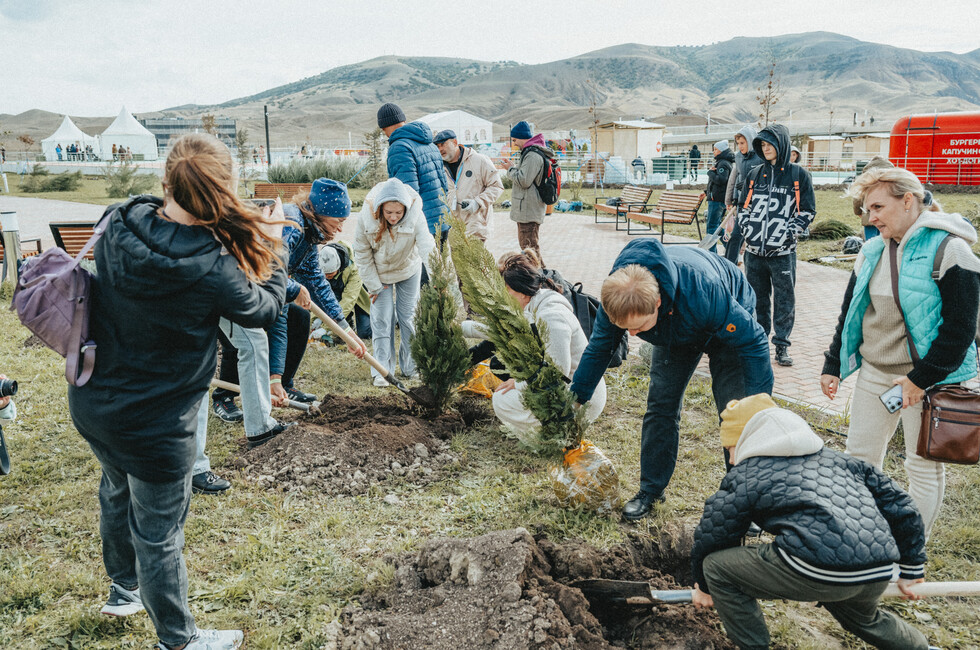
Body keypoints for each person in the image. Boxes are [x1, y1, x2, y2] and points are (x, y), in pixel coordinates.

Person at [67, 133, 287, 649]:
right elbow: (262, 310)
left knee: (115, 490)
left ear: (165, 181)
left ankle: (123, 589)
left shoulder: (120, 218)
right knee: (159, 535)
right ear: (226, 188)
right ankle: (179, 640)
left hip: (95, 401)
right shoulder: (212, 266)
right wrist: (273, 251)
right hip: (160, 424)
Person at [690, 395, 936, 650]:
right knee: (865, 618)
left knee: (717, 568)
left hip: (819, 568)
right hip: (876, 567)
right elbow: (903, 507)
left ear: (747, 438)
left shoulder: (746, 474)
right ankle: (921, 648)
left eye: (730, 447)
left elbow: (714, 531)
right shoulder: (844, 461)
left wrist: (704, 586)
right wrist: (911, 567)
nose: (731, 459)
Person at [821, 166, 980, 539]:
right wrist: (833, 363)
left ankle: (910, 552)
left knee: (921, 465)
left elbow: (961, 331)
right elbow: (852, 313)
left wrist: (918, 381)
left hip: (926, 382)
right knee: (859, 457)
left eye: (877, 207)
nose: (870, 217)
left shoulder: (952, 249)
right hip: (878, 375)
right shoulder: (871, 250)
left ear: (908, 200)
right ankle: (860, 538)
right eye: (865, 209)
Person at [570, 239, 773, 521]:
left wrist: (758, 409)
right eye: (625, 329)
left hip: (723, 319)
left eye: (638, 328)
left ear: (657, 301)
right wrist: (576, 399)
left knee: (735, 414)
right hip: (675, 329)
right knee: (660, 406)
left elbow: (754, 344)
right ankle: (650, 492)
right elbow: (600, 348)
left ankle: (745, 501)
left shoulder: (705, 290)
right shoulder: (616, 297)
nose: (631, 334)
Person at [462, 254, 606, 433]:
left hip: (581, 397)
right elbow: (498, 330)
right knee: (501, 368)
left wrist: (519, 383)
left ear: (521, 292)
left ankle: (550, 433)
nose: (503, 296)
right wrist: (460, 328)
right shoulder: (534, 304)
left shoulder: (551, 317)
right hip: (563, 386)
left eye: (506, 290)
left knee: (501, 399)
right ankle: (543, 426)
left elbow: (558, 370)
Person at [270, 178, 369, 401]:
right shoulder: (292, 224)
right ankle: (225, 396)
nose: (341, 228)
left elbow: (316, 282)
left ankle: (285, 385)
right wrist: (295, 288)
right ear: (322, 213)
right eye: (338, 220)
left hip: (274, 288)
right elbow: (269, 270)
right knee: (267, 330)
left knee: (300, 317)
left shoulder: (309, 236)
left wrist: (346, 330)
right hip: (244, 287)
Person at [737, 123, 816, 368]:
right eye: (762, 144)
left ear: (782, 144)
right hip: (754, 253)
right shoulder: (753, 174)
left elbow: (808, 211)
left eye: (770, 143)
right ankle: (759, 343)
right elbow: (743, 208)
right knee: (756, 299)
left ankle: (781, 345)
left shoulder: (798, 175)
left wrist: (788, 234)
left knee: (784, 300)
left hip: (782, 253)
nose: (765, 148)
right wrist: (748, 231)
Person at [353, 178, 435, 386]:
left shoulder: (416, 216)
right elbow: (362, 254)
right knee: (382, 320)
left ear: (406, 209)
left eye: (398, 213)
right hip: (379, 274)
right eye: (389, 213)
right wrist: (373, 285)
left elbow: (427, 247)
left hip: (408, 270)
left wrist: (439, 279)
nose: (394, 217)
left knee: (408, 318)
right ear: (380, 208)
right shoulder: (366, 218)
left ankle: (410, 366)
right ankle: (382, 370)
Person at [377, 102, 449, 246]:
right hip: (442, 219)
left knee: (419, 268)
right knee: (438, 267)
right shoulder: (430, 144)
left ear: (383, 127)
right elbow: (444, 184)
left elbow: (406, 193)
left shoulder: (399, 147)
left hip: (422, 224)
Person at [500, 121, 554, 267]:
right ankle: (542, 279)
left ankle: (543, 280)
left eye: (514, 139)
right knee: (530, 250)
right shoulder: (529, 154)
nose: (514, 143)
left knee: (530, 252)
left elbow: (524, 180)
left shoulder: (532, 156)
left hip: (528, 211)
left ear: (522, 138)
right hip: (527, 209)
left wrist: (510, 169)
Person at [433, 129, 504, 242]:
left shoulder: (479, 160)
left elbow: (497, 186)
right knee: (458, 260)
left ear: (455, 142)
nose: (440, 149)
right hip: (454, 230)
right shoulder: (440, 168)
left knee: (476, 260)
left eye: (443, 144)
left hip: (476, 228)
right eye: (437, 146)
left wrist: (478, 202)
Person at [318, 240, 373, 341]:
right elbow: (318, 296)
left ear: (339, 267)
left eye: (330, 274)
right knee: (341, 333)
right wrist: (315, 320)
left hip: (358, 294)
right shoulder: (321, 262)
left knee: (365, 333)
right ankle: (348, 323)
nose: (327, 277)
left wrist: (326, 327)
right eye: (324, 275)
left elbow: (349, 299)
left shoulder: (354, 268)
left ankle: (393, 317)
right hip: (338, 294)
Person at [723, 126, 759, 265]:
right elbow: (733, 178)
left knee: (751, 238)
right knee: (736, 236)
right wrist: (729, 199)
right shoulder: (738, 157)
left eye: (743, 143)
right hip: (741, 204)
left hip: (756, 205)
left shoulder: (760, 157)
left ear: (750, 141)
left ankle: (753, 265)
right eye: (738, 143)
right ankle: (728, 265)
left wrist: (748, 185)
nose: (740, 146)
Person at [700, 140, 734, 254]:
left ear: (722, 150)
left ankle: (711, 254)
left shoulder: (723, 163)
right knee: (718, 227)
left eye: (716, 149)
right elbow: (716, 183)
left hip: (717, 200)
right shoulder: (723, 162)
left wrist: (710, 173)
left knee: (711, 227)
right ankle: (730, 247)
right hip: (718, 198)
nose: (713, 152)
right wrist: (706, 192)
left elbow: (721, 180)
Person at [853, 156, 894, 240]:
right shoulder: (892, 176)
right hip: (889, 216)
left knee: (871, 241)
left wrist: (860, 213)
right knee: (888, 241)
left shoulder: (867, 178)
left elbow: (858, 198)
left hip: (870, 216)